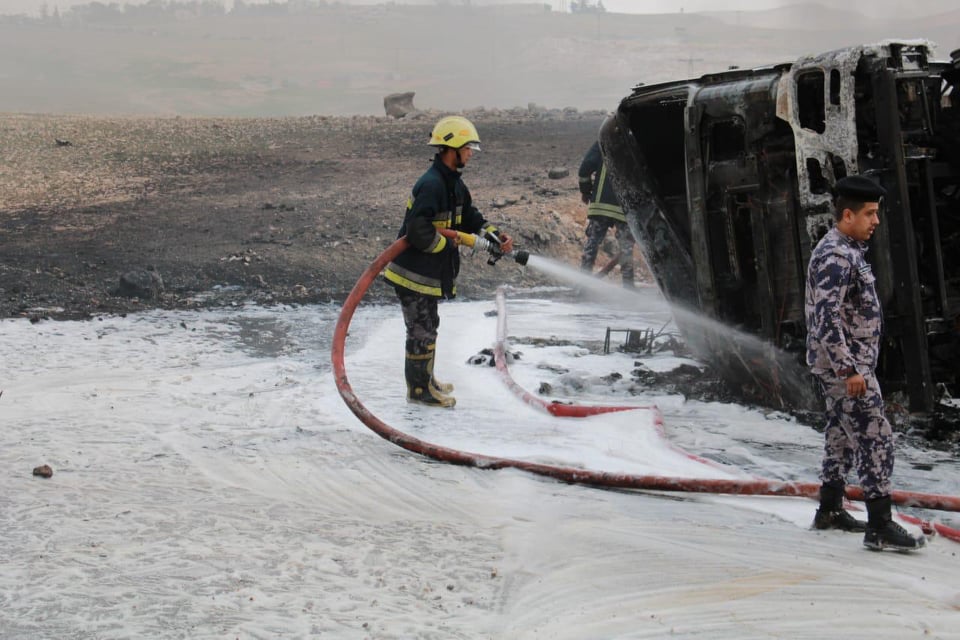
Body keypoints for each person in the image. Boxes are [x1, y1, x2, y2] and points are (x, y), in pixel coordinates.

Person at [804, 174, 924, 551]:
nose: (876, 221)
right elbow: (826, 317)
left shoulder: (848, 249)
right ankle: (880, 525)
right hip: (846, 368)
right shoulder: (837, 256)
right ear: (847, 215)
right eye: (870, 214)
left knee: (840, 437)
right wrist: (849, 370)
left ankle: (829, 509)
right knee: (876, 437)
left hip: (847, 365)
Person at [384, 115, 513, 408]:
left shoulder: (453, 184)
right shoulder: (431, 185)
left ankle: (426, 380)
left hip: (428, 275)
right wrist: (448, 242)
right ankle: (418, 391)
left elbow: (469, 217)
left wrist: (492, 234)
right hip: (413, 275)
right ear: (452, 148)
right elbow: (417, 229)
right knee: (420, 331)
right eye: (468, 148)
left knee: (430, 326)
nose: (470, 153)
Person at [577, 141, 635, 288]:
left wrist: (586, 191)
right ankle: (628, 287)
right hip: (624, 206)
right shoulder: (634, 145)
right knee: (626, 246)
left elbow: (584, 169)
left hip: (601, 204)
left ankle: (583, 283)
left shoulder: (603, 140)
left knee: (593, 241)